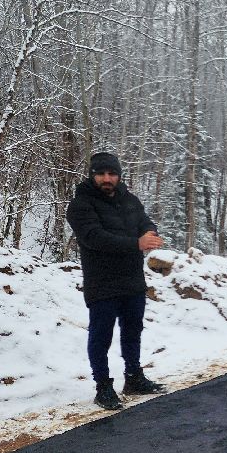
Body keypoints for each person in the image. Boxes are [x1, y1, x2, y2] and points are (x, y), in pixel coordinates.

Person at [65, 152, 168, 410]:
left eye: (112, 173)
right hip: (102, 283)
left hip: (132, 279)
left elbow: (145, 221)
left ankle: (133, 378)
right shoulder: (81, 205)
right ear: (92, 175)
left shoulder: (129, 200)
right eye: (101, 174)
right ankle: (103, 387)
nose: (107, 179)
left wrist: (149, 232)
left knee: (133, 331)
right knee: (101, 336)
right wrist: (137, 243)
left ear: (119, 175)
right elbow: (94, 238)